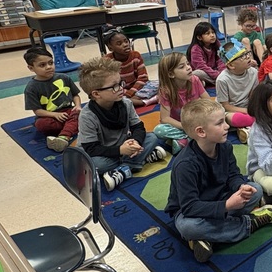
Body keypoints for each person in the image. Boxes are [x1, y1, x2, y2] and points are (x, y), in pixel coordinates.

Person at [165, 98, 272, 263]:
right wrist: (227, 206)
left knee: (256, 189)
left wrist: (241, 187)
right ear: (201, 132)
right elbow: (190, 207)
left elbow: (233, 175)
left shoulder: (225, 147)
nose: (227, 126)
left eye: (225, 121)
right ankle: (250, 223)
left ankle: (207, 237)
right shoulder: (185, 165)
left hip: (221, 198)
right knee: (188, 227)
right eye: (220, 123)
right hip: (192, 211)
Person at [77, 57, 167, 191]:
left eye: (120, 83)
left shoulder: (126, 103)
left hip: (124, 146)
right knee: (95, 165)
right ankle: (140, 160)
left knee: (152, 137)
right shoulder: (87, 116)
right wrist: (120, 150)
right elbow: (91, 148)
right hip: (102, 153)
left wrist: (135, 142)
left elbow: (138, 127)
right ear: (96, 94)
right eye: (114, 87)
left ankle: (124, 168)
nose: (121, 89)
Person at [23, 45, 81, 153]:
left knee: (82, 114)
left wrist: (77, 106)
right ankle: (70, 128)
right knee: (41, 124)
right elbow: (37, 111)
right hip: (50, 116)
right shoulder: (31, 88)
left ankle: (63, 137)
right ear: (31, 68)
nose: (49, 67)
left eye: (51, 62)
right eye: (42, 65)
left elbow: (75, 95)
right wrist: (55, 115)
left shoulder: (64, 78)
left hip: (69, 111)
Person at [154, 51, 209, 153]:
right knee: (159, 130)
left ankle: (185, 140)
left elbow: (208, 102)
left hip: (197, 121)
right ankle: (190, 138)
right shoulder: (166, 90)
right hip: (179, 125)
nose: (188, 67)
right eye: (182, 67)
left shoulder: (195, 80)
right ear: (171, 74)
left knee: (215, 118)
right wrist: (186, 127)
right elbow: (165, 118)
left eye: (188, 64)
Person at [215, 39, 257, 143]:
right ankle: (250, 127)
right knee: (235, 118)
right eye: (242, 56)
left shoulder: (253, 72)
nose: (248, 57)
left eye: (246, 53)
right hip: (230, 111)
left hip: (248, 107)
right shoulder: (222, 79)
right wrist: (247, 111)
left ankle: (246, 130)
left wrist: (256, 108)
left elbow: (254, 95)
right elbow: (225, 106)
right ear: (231, 65)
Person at [104, 29, 158, 107]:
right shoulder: (107, 61)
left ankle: (131, 101)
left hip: (138, 88)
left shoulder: (136, 55)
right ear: (110, 48)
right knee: (108, 95)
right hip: (120, 90)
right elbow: (110, 84)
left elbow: (143, 78)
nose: (125, 44)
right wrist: (127, 93)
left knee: (160, 84)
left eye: (126, 41)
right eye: (119, 44)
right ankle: (145, 101)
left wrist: (131, 93)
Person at [188, 21, 225, 86]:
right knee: (197, 73)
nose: (212, 35)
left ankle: (218, 80)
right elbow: (201, 66)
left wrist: (222, 72)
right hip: (204, 72)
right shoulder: (195, 48)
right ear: (199, 37)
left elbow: (221, 60)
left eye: (213, 32)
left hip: (215, 71)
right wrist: (217, 75)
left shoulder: (217, 43)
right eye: (207, 33)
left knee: (231, 64)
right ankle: (220, 81)